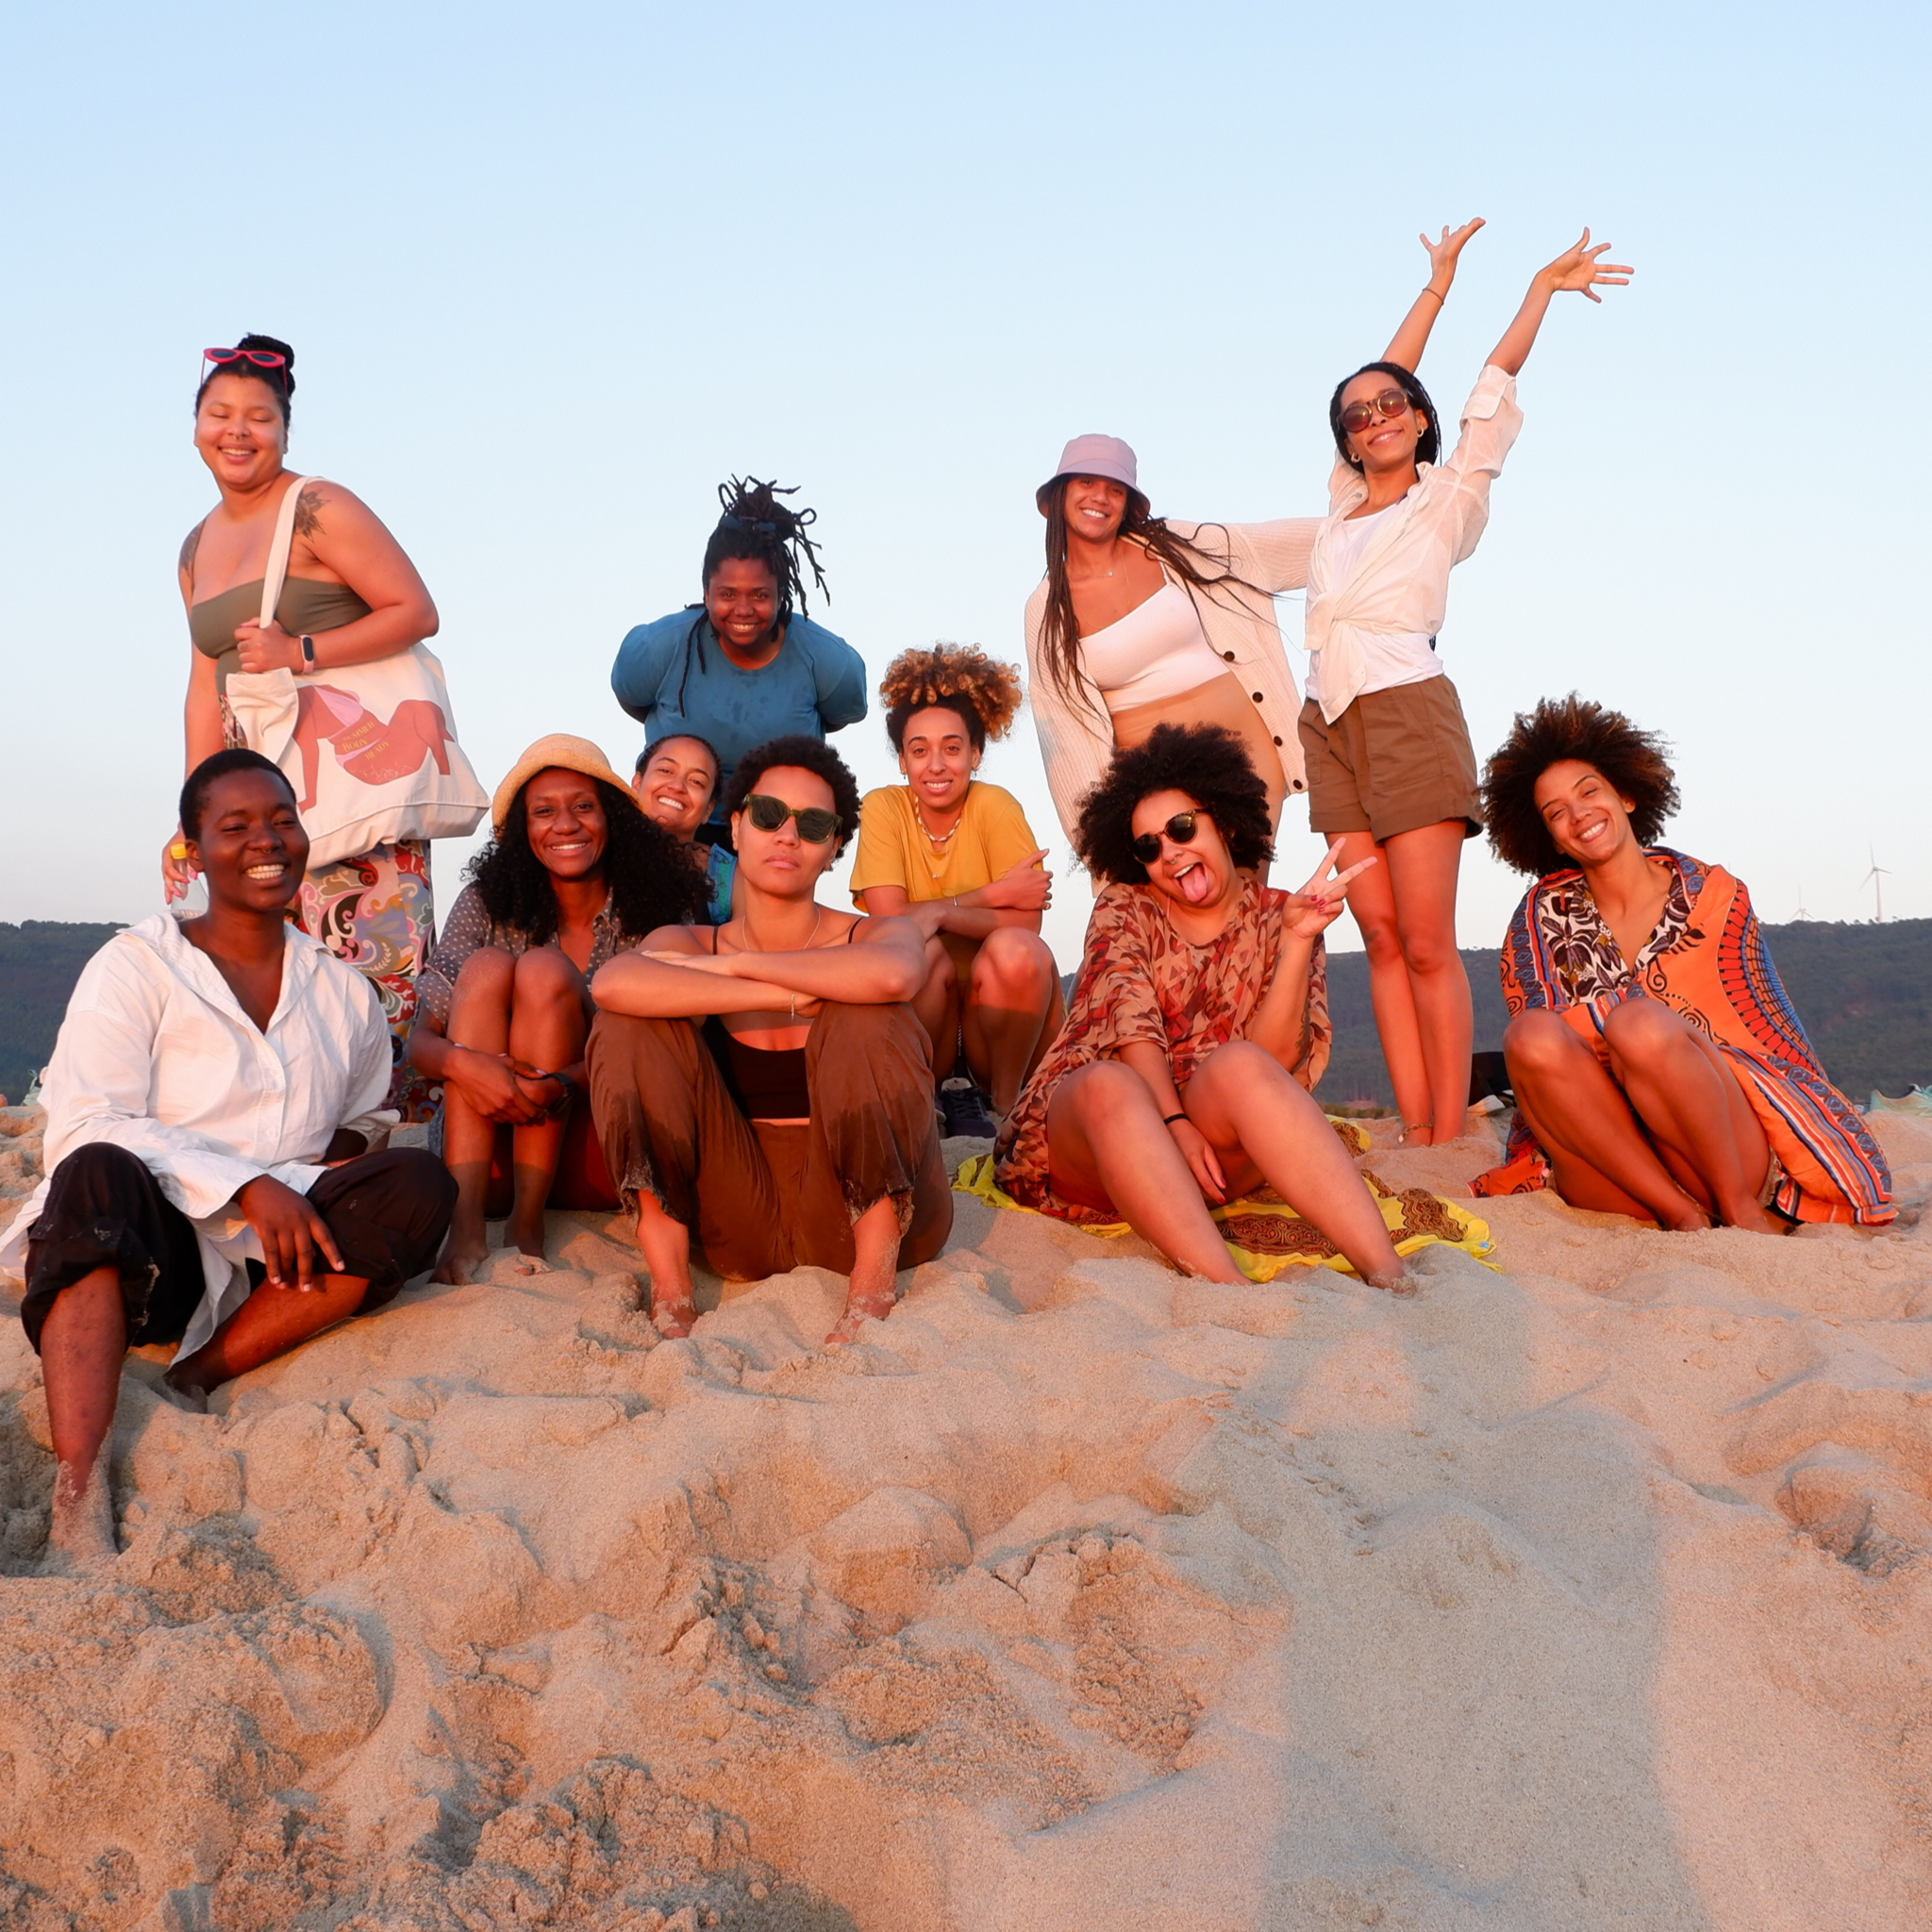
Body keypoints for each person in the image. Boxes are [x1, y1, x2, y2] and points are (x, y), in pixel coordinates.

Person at [3, 751, 457, 1562]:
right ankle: (79, 1488)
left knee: (420, 1181)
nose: (267, 841)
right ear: (192, 849)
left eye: (283, 820)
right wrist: (245, 1184)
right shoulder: (137, 965)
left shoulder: (343, 990)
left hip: (279, 1274)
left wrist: (316, 1181)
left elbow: (366, 1118)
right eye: (236, 826)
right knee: (93, 1169)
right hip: (148, 1253)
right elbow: (84, 1122)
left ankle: (195, 1377)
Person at [1299, 224, 1632, 1147]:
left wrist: (1530, 288)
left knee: (1421, 938)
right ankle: (1413, 1124)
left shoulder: (1447, 493)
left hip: (1406, 708)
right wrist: (1430, 285)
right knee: (1371, 936)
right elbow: (1378, 371)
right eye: (1355, 414)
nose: (1372, 417)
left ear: (1417, 419)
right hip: (1324, 718)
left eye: (1388, 407)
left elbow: (1490, 381)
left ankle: (1442, 1133)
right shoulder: (1337, 504)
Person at [994, 724, 1406, 1288]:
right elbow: (1131, 1026)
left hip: (1214, 1152)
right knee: (1109, 1082)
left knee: (1240, 1064)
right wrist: (1175, 1122)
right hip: (1100, 1141)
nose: (1169, 851)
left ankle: (1392, 1277)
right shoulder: (1125, 908)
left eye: (1182, 828)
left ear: (1226, 823)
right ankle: (1227, 1291)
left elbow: (1272, 1064)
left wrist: (1296, 942)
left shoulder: (1284, 912)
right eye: (1149, 846)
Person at [1471, 696, 1893, 1231]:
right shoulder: (1540, 915)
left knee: (1639, 1024)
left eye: (1589, 792)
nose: (1578, 816)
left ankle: (1739, 1211)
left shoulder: (1714, 897)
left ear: (1626, 794)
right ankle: (1681, 1217)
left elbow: (1749, 1032)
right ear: (1549, 837)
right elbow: (1547, 1053)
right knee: (1529, 1035)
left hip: (1718, 1150)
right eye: (1556, 812)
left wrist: (1612, 1028)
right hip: (1616, 1170)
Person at [589, 735, 953, 1346]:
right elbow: (615, 984)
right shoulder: (688, 944)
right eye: (767, 815)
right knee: (629, 1025)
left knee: (867, 1009)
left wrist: (735, 968)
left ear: (835, 846)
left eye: (813, 824)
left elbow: (893, 975)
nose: (787, 835)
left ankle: (869, 1293)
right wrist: (761, 984)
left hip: (868, 1213)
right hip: (739, 1217)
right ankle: (672, 1290)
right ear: (734, 826)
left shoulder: (874, 935)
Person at [167, 334, 446, 1121]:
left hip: (346, 783)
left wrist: (300, 650)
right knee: (262, 979)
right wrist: (192, 813)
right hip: (253, 793)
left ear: (285, 430)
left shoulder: (319, 507)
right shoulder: (195, 547)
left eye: (259, 417)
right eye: (220, 413)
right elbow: (200, 687)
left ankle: (390, 1173)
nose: (238, 430)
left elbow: (417, 610)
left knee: (371, 983)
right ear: (195, 426)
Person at [408, 736, 706, 1281]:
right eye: (543, 812)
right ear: (524, 830)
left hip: (597, 1151)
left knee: (543, 970)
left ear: (612, 817)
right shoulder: (486, 902)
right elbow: (420, 1040)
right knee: (487, 969)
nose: (564, 825)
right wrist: (466, 1065)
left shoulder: (659, 906)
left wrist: (563, 1083)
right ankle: (466, 1226)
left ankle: (527, 1225)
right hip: (487, 1153)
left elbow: (676, 1046)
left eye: (583, 806)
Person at [849, 646, 1063, 1135]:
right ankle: (928, 1096)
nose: (937, 765)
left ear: (975, 754)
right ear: (902, 760)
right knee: (919, 951)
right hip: (932, 1023)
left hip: (1002, 1028)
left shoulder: (996, 805)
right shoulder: (883, 808)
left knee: (1015, 950)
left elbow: (1026, 927)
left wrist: (941, 913)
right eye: (919, 750)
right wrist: (987, 896)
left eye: (952, 747)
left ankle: (1003, 1104)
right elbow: (891, 917)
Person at [611, 477, 867, 839]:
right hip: (672, 825)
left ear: (782, 593)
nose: (743, 610)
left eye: (760, 595)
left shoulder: (829, 660)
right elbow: (633, 698)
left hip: (773, 831)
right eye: (727, 594)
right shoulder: (656, 648)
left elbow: (842, 714)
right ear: (706, 592)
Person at [632, 733, 736, 924]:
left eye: (697, 781)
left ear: (708, 810)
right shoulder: (597, 852)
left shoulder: (728, 877)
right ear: (637, 783)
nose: (677, 786)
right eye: (665, 770)